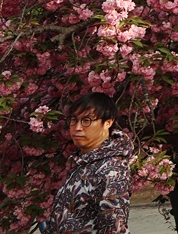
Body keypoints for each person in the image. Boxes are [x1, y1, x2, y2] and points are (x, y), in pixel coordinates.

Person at [42, 92, 133, 234]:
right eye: (74, 120)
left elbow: (114, 228)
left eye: (86, 121)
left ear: (107, 123)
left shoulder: (111, 169)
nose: (77, 127)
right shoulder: (83, 163)